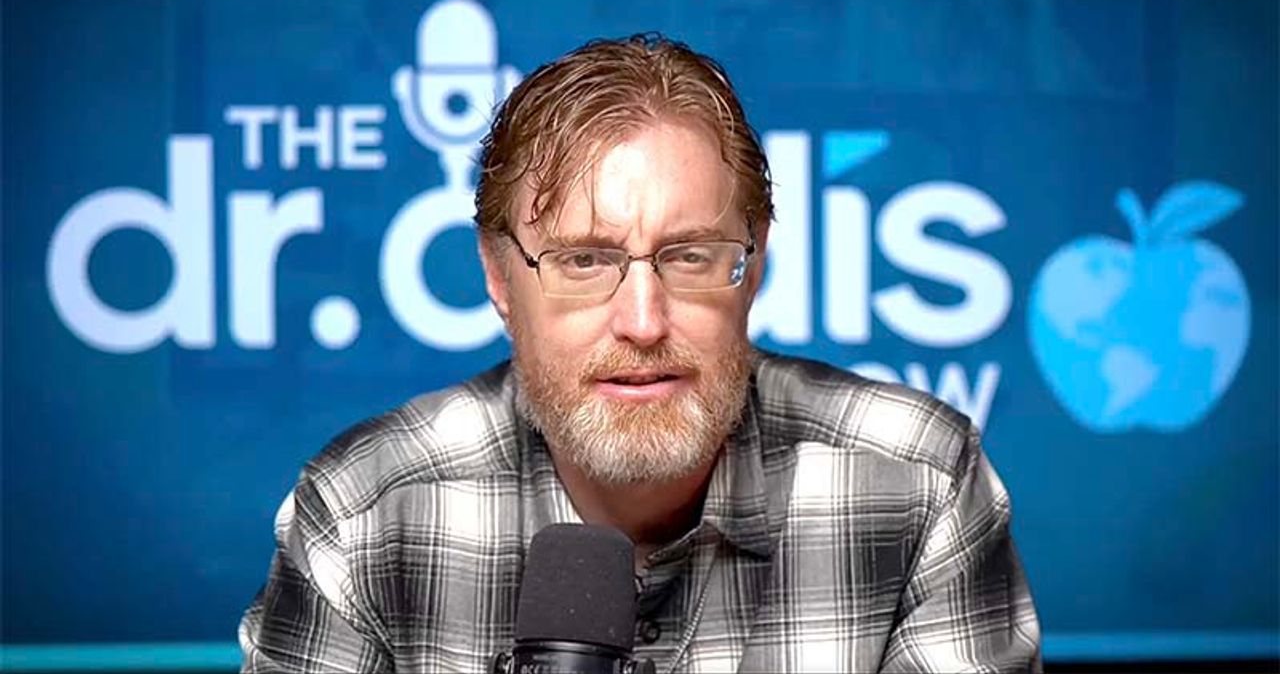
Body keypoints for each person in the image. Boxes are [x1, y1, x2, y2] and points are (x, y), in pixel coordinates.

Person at [239, 34, 1041, 673]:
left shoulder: (917, 482)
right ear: (499, 277)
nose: (643, 321)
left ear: (755, 264)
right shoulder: (365, 514)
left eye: (690, 256)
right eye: (584, 261)